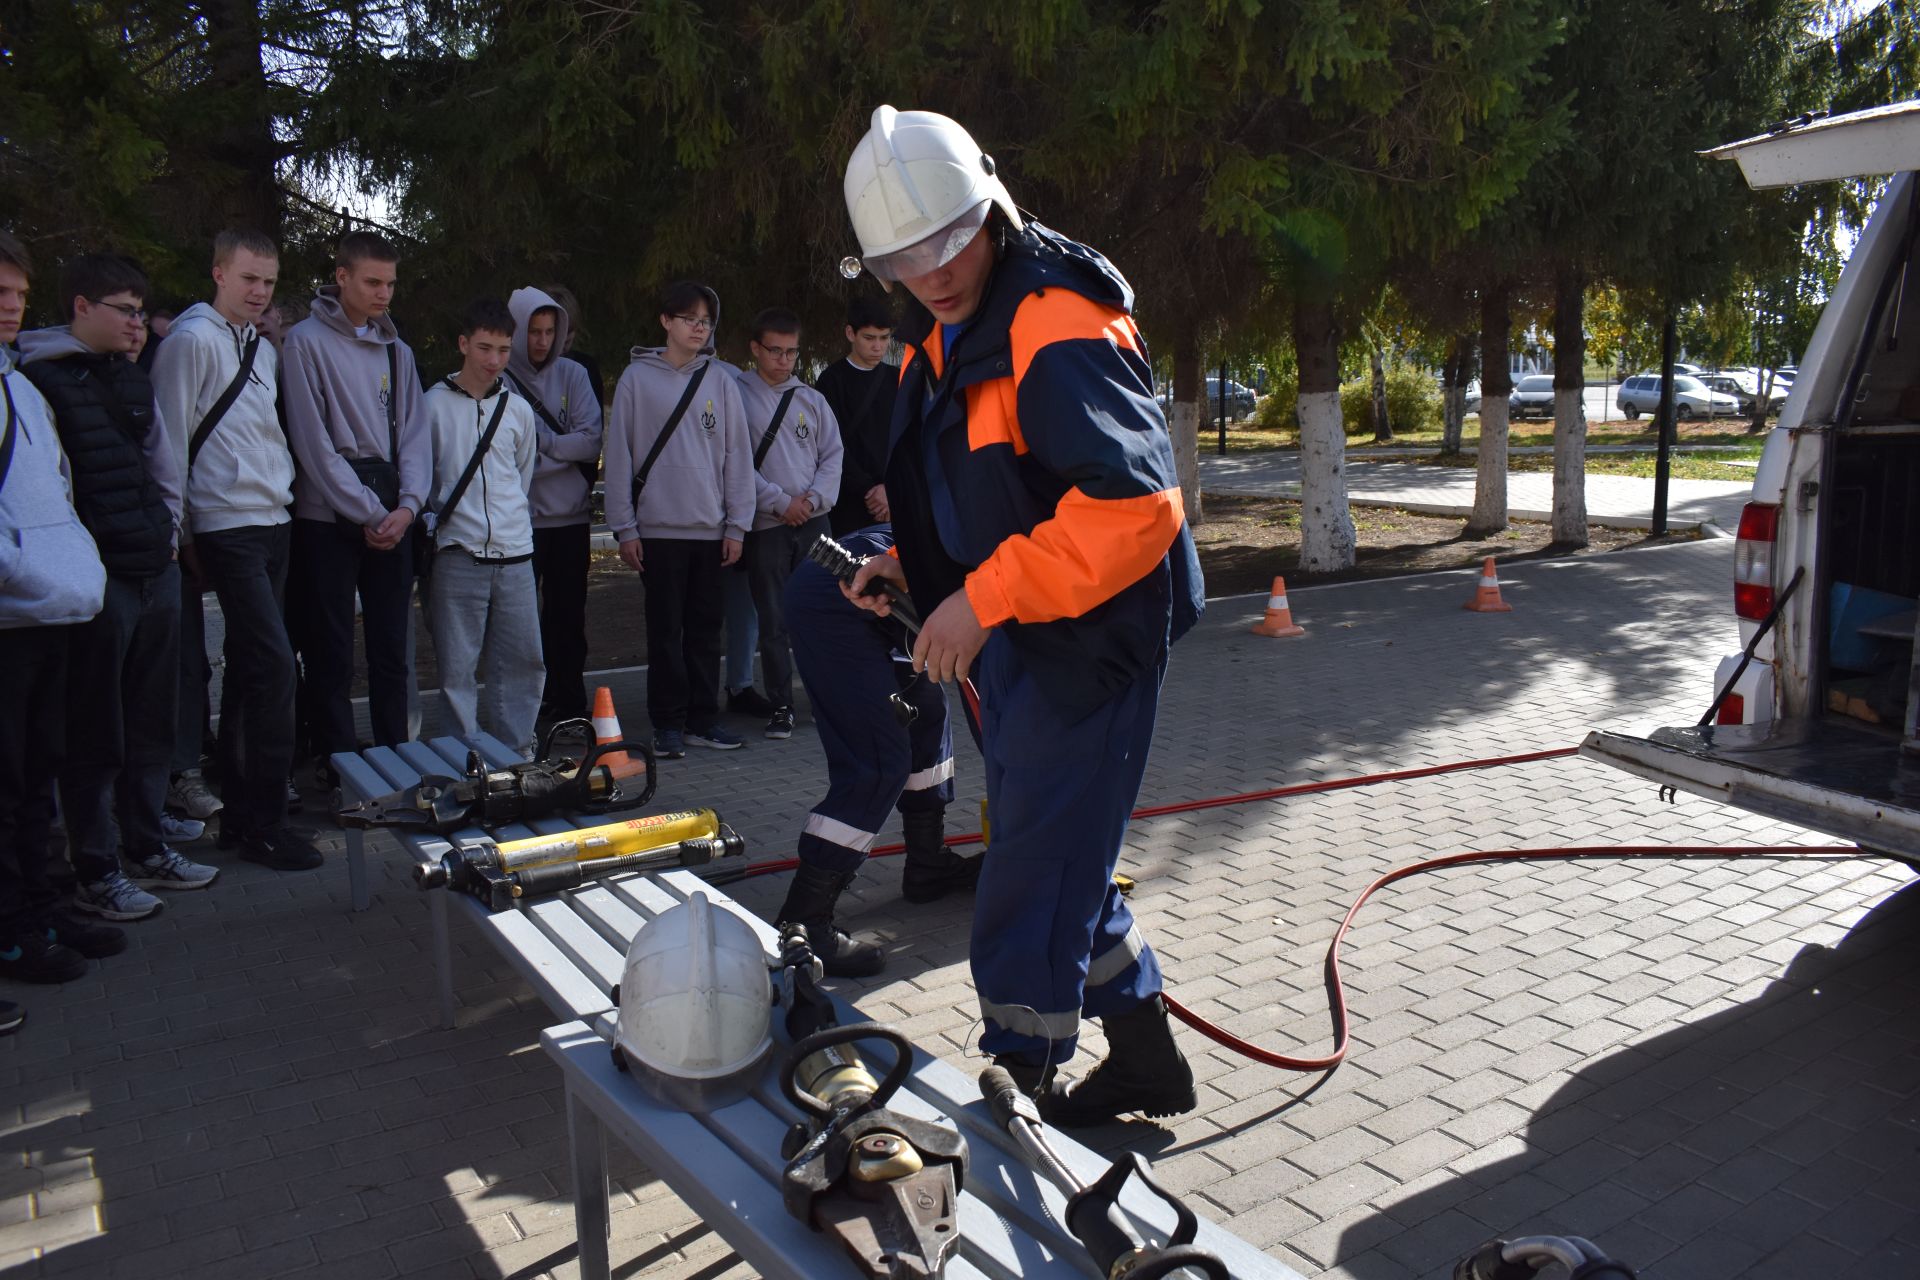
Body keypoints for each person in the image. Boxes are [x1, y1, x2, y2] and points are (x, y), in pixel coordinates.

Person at [839, 107, 1206, 1126]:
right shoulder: (945, 339)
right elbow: (969, 497)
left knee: (1032, 869)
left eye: (951, 237)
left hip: (1087, 643)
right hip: (1019, 635)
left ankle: (1017, 1082)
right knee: (1060, 846)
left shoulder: (1054, 319)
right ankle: (1145, 1060)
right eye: (906, 258)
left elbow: (1135, 507)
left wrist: (982, 598)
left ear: (990, 200)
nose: (936, 269)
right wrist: (898, 567)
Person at [18, 254, 220, 922]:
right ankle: (96, 866)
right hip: (95, 585)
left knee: (149, 720)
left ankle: (147, 842)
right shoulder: (37, 382)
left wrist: (168, 537)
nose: (137, 324)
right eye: (124, 310)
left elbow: (163, 465)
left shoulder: (130, 380)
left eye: (141, 311)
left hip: (151, 568)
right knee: (95, 733)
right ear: (80, 306)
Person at [152, 229, 321, 872]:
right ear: (218, 272)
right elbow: (169, 443)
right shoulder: (191, 341)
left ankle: (246, 818)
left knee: (258, 674)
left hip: (271, 518)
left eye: (269, 282)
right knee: (274, 668)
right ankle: (263, 822)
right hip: (226, 525)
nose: (259, 292)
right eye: (248, 278)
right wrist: (181, 535)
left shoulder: (260, 347)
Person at [775, 523, 976, 976]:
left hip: (895, 601)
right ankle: (802, 918)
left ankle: (927, 866)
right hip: (834, 601)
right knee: (879, 760)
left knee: (927, 715)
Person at [0, 231, 113, 999]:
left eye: (15, 293)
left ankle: (45, 902)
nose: (10, 306)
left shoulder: (20, 387)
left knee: (41, 771)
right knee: (5, 784)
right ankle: (12, 928)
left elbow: (58, 491)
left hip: (52, 611)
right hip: (9, 619)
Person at [281, 231, 429, 762]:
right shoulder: (304, 343)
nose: (383, 293)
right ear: (341, 277)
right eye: (372, 281)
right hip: (328, 521)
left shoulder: (398, 350)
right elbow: (313, 445)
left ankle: (397, 756)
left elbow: (415, 435)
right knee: (332, 650)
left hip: (392, 515)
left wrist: (407, 508)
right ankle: (338, 761)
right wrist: (371, 511)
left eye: (390, 283)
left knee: (392, 648)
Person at [603, 282, 754, 759]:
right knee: (665, 631)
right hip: (657, 530)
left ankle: (703, 720)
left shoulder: (721, 381)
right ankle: (667, 724)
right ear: (666, 322)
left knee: (708, 630)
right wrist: (624, 527)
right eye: (689, 318)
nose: (698, 327)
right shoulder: (635, 379)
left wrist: (736, 525)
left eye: (706, 320)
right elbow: (621, 455)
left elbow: (736, 456)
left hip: (710, 530)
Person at [423, 299, 544, 754]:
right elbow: (427, 478)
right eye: (484, 348)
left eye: (503, 349)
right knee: (457, 667)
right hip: (458, 552)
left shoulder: (517, 410)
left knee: (523, 662)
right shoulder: (432, 405)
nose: (494, 360)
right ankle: (463, 754)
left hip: (515, 554)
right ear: (463, 345)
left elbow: (522, 474)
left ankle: (517, 751)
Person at [732, 307, 842, 739]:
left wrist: (813, 500)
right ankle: (782, 704)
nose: (783, 360)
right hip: (768, 526)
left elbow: (832, 456)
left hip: (815, 522)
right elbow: (736, 462)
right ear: (756, 349)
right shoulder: (736, 395)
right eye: (775, 351)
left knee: (823, 611)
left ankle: (828, 698)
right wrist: (780, 503)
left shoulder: (811, 399)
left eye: (792, 352)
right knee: (773, 619)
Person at [505, 286, 602, 723]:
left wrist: (539, 449)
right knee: (522, 623)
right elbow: (506, 455)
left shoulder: (575, 375)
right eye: (534, 331)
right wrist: (558, 449)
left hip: (570, 520)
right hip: (520, 521)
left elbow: (591, 441)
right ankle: (527, 706)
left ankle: (570, 699)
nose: (543, 341)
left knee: (568, 617)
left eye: (550, 331)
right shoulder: (500, 376)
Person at [813, 297, 897, 536]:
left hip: (894, 499)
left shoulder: (899, 378)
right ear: (850, 333)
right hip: (848, 501)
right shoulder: (831, 380)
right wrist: (870, 491)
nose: (878, 347)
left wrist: (891, 490)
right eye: (869, 338)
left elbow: (908, 440)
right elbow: (830, 444)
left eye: (884, 338)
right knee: (849, 571)